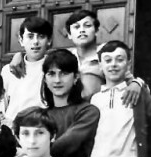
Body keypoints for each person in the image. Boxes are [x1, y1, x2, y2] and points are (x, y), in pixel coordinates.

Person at [9, 10, 142, 105]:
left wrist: (137, 83)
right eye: (77, 27)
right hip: (71, 113)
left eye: (87, 26)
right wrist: (19, 55)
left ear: (96, 30)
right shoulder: (65, 56)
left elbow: (130, 80)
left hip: (99, 112)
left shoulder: (106, 56)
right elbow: (38, 56)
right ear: (69, 34)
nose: (82, 30)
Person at [0, 17, 52, 126]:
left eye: (41, 36)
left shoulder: (53, 68)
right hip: (11, 128)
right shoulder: (9, 70)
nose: (35, 42)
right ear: (21, 40)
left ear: (49, 40)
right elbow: (2, 103)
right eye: (30, 36)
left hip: (40, 127)